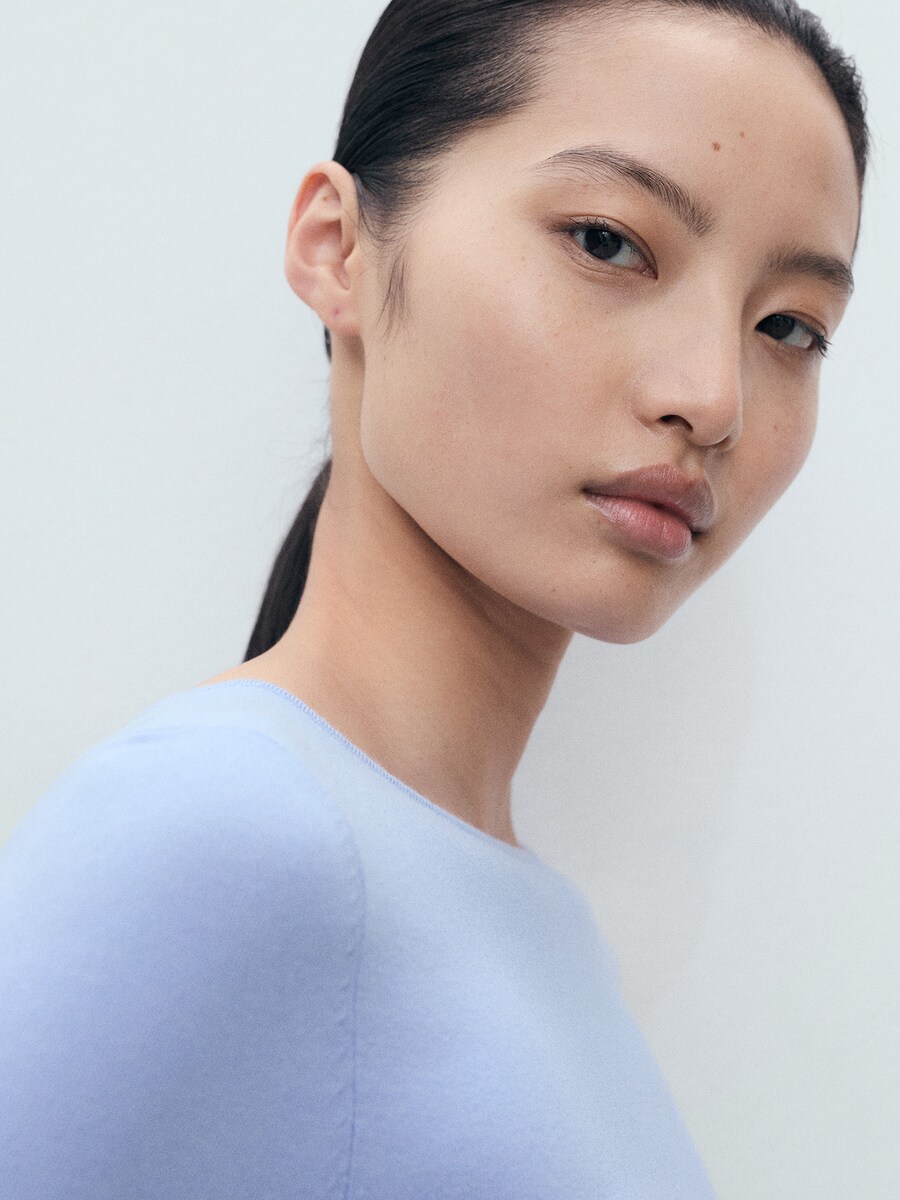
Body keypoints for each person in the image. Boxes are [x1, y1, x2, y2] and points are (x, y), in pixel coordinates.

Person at [0, 1, 868, 1196]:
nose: (713, 395)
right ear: (338, 248)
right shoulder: (215, 827)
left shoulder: (536, 927)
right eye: (609, 242)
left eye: (789, 327)